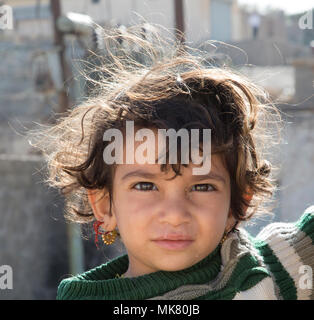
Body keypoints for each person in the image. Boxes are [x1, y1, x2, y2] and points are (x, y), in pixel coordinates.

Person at [32, 23, 314, 300]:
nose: (175, 214)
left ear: (237, 204)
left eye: (202, 187)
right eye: (145, 186)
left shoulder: (273, 271)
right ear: (105, 205)